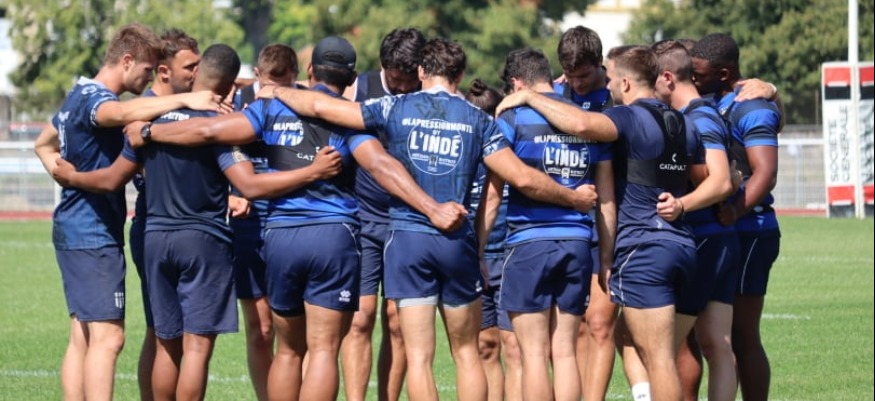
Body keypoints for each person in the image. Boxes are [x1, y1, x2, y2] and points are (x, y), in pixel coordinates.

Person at [265, 37, 598, 401]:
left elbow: (319, 105)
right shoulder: (479, 119)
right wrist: (572, 197)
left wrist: (277, 90)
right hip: (457, 241)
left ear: (421, 70)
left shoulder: (394, 107)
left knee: (419, 358)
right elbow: (520, 177)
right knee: (467, 353)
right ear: (460, 74)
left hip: (408, 241)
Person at [495, 44, 732, 401]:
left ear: (625, 83)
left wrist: (529, 95)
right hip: (683, 246)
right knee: (634, 340)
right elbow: (714, 179)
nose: (606, 84)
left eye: (610, 77)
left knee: (658, 358)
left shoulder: (627, 117)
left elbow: (580, 123)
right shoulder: (683, 122)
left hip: (644, 247)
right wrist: (683, 203)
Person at [31, 23, 222, 401]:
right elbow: (117, 113)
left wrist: (64, 174)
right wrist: (185, 100)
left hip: (75, 224)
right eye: (147, 70)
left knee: (83, 335)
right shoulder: (97, 100)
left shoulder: (77, 92)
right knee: (109, 337)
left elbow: (42, 143)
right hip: (92, 229)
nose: (148, 78)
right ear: (127, 60)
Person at [486, 47, 615, 401]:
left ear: (517, 83)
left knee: (532, 355)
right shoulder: (584, 117)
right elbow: (607, 200)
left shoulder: (512, 119)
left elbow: (494, 196)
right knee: (566, 351)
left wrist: (478, 249)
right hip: (577, 243)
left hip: (529, 243)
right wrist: (605, 257)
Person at [691, 33, 782, 401]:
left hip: (750, 228)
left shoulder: (752, 105)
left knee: (743, 335)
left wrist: (735, 210)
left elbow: (765, 172)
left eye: (699, 74)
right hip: (722, 230)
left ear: (724, 73)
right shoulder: (713, 100)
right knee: (709, 335)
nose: (693, 79)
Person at [339, 27, 426, 401]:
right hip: (363, 218)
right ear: (383, 65)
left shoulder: (427, 95)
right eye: (396, 78)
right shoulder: (359, 87)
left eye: (410, 80)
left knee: (397, 322)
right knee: (360, 318)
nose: (404, 87)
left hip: (408, 222)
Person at [652, 39, 739, 401]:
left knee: (655, 348)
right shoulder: (702, 113)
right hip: (719, 239)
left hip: (704, 239)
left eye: (652, 79)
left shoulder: (698, 117)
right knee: (717, 344)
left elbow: (721, 181)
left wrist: (682, 205)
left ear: (667, 78)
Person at [130, 28, 201, 401]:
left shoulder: (188, 104)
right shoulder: (141, 111)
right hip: (153, 227)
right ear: (163, 71)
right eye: (189, 67)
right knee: (162, 333)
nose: (196, 73)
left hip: (181, 231)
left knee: (171, 334)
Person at [230, 42, 300, 401]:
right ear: (257, 74)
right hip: (249, 224)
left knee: (296, 331)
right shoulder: (238, 101)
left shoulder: (305, 102)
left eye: (281, 83)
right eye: (268, 82)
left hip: (292, 222)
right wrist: (232, 193)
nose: (273, 91)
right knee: (261, 329)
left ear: (295, 76)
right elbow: (218, 149)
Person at [554, 26, 618, 401]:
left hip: (612, 220)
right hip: (568, 223)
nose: (577, 83)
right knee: (574, 325)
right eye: (571, 75)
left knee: (600, 322)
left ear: (600, 64)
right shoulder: (555, 94)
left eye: (584, 76)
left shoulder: (618, 96)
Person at [464, 78, 521, 401]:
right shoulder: (460, 154)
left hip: (510, 256)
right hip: (472, 258)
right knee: (484, 346)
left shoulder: (511, 153)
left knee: (514, 346)